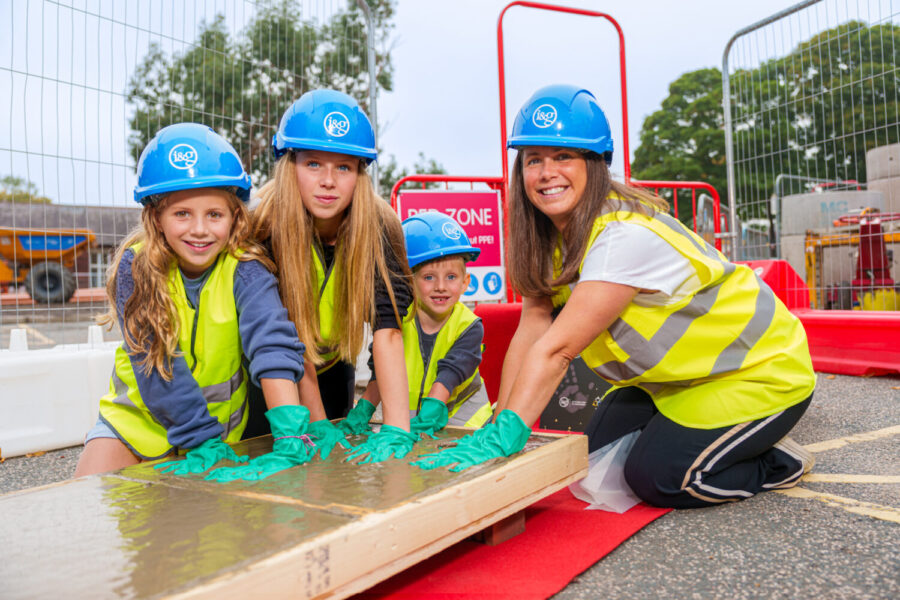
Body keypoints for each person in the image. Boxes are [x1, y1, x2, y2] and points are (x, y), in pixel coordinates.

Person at [414, 84, 817, 510]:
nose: (546, 172)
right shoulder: (551, 238)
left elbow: (557, 349)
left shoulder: (623, 234)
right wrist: (499, 424)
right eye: (534, 160)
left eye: (563, 156)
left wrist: (506, 435)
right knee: (593, 453)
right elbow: (532, 330)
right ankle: (705, 439)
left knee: (659, 478)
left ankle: (773, 460)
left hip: (758, 374)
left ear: (595, 163)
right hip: (676, 380)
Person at [74, 123, 313, 480]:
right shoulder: (135, 268)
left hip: (219, 435)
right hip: (135, 427)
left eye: (214, 214)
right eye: (182, 213)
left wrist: (291, 432)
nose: (199, 229)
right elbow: (156, 366)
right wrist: (199, 440)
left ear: (235, 216)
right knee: (87, 503)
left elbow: (272, 345)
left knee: (206, 531)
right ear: (156, 217)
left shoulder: (247, 271)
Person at [250, 89, 417, 464]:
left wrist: (397, 429)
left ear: (360, 172)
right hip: (276, 372)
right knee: (284, 473)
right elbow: (282, 337)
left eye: (343, 167)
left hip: (333, 363)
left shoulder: (381, 226)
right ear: (289, 164)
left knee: (339, 471)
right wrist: (318, 420)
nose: (329, 181)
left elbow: (388, 333)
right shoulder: (263, 224)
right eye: (313, 165)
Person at [352, 212, 493, 437]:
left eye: (451, 277)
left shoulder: (469, 326)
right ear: (409, 280)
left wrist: (428, 415)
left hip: (467, 425)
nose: (441, 287)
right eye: (428, 277)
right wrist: (363, 409)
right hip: (415, 423)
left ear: (465, 282)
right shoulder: (395, 323)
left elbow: (449, 376)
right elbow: (380, 373)